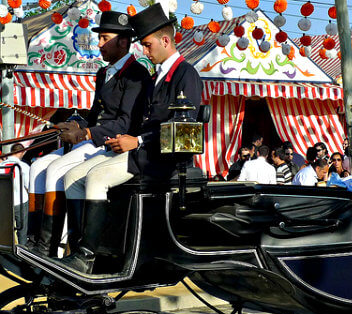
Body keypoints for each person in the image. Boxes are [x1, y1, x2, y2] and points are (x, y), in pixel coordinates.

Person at [60, 4, 204, 273]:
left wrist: (137, 141)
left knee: (97, 178)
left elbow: (183, 129)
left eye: (148, 45)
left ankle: (88, 256)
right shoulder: (159, 74)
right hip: (142, 153)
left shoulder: (186, 74)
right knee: (72, 177)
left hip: (161, 161)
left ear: (165, 40)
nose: (145, 51)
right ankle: (78, 248)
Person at [28, 10, 149, 256]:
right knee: (37, 167)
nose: (99, 44)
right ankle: (33, 241)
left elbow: (125, 123)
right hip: (91, 139)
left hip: (108, 143)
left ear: (123, 42)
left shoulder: (137, 74)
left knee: (55, 170)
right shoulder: (103, 73)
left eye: (105, 38)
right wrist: (74, 125)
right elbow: (96, 115)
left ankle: (51, 251)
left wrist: (84, 134)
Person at [0, 144, 30, 244]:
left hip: (4, 202)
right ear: (22, 152)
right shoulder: (24, 166)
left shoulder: (1, 165)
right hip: (20, 201)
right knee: (22, 231)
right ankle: (22, 252)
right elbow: (28, 185)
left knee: (5, 230)